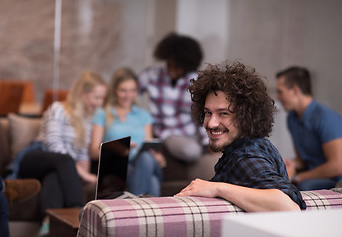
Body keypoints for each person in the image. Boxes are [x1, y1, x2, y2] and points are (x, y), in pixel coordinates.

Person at [176, 61, 306, 212]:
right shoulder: (256, 146)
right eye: (208, 113)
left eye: (224, 113)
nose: (211, 123)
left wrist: (217, 188)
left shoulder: (245, 157)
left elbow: (290, 209)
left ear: (246, 117)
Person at [10, 71, 108, 236]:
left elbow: (83, 155)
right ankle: (78, 217)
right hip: (36, 158)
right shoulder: (58, 109)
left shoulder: (87, 120)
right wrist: (84, 175)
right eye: (96, 97)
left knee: (54, 177)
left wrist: (79, 175)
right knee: (64, 161)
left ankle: (48, 225)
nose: (100, 103)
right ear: (82, 94)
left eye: (102, 98)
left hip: (61, 169)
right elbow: (53, 145)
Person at [90, 67, 165, 197]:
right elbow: (93, 152)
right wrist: (119, 148)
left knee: (147, 158)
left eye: (132, 90)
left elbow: (148, 144)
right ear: (114, 91)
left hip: (143, 162)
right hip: (120, 165)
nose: (128, 96)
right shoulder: (103, 113)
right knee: (152, 182)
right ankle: (147, 212)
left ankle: (134, 209)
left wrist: (157, 157)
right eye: (123, 90)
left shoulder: (143, 115)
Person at [138, 33, 209, 163]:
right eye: (171, 64)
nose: (173, 70)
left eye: (178, 67)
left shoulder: (198, 80)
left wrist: (207, 142)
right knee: (191, 152)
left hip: (190, 131)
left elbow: (203, 114)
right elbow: (130, 93)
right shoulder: (151, 74)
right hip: (167, 132)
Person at [276, 66, 342, 191]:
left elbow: (338, 166)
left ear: (295, 90)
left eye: (280, 92)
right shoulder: (292, 118)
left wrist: (299, 177)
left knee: (302, 186)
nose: (277, 97)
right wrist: (288, 164)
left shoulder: (325, 118)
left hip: (335, 178)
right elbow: (303, 160)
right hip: (311, 173)